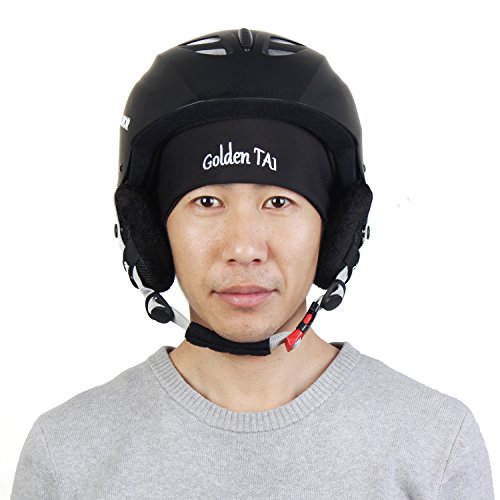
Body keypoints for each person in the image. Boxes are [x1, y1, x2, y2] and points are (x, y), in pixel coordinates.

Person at [11, 28, 494, 499]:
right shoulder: (68, 456)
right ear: (151, 231)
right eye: (206, 202)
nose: (243, 248)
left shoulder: (435, 447)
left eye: (279, 202)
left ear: (336, 232)